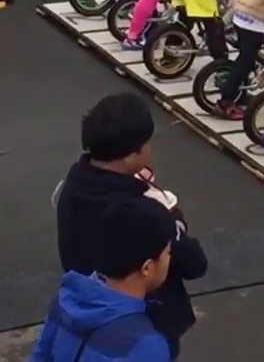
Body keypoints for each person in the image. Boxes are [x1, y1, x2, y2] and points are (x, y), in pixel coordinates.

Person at [56, 93, 208, 358]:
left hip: (85, 313)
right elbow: (194, 263)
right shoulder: (144, 212)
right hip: (144, 320)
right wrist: (174, 219)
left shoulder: (73, 186)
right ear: (131, 154)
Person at [35, 198, 177, 362]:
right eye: (167, 253)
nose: (170, 259)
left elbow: (41, 356)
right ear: (147, 267)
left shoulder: (66, 299)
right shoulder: (146, 346)